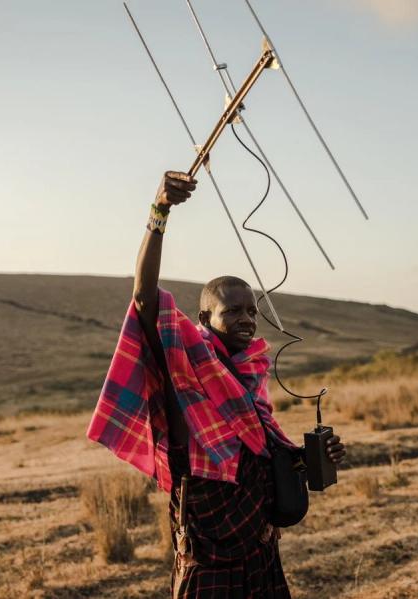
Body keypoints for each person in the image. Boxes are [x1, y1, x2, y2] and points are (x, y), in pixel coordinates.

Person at [87, 171, 346, 598]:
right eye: (234, 311)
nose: (247, 320)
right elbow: (143, 299)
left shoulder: (250, 373)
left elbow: (259, 455)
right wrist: (160, 210)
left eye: (252, 311)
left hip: (260, 546)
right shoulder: (183, 368)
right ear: (204, 319)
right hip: (209, 550)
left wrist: (307, 458)